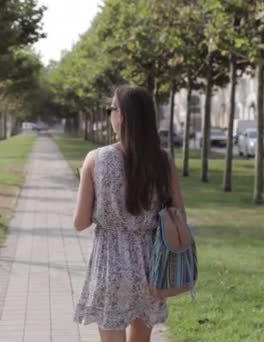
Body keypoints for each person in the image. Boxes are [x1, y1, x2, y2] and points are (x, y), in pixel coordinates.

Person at [72, 85, 185, 342]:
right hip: (151, 263)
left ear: (122, 116)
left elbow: (80, 222)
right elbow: (177, 212)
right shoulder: (162, 161)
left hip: (110, 263)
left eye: (111, 108)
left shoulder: (95, 159)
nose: (109, 113)